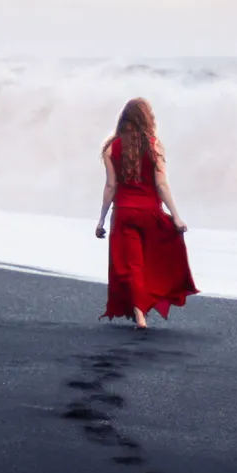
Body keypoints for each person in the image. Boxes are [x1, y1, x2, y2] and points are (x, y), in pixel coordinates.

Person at [95, 97, 198, 330]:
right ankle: (143, 309)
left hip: (124, 214)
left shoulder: (111, 147)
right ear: (147, 119)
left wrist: (101, 219)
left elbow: (111, 186)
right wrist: (176, 216)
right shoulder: (154, 145)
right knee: (154, 262)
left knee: (133, 265)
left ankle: (140, 315)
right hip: (150, 214)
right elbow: (162, 185)